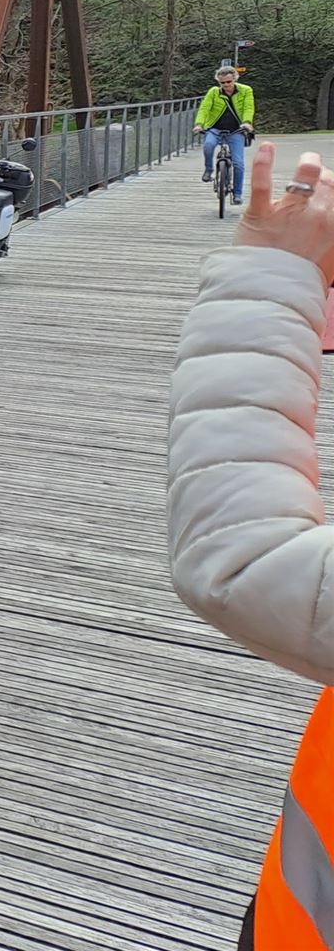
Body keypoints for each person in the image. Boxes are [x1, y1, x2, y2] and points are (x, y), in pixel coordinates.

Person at [168, 140, 334, 950]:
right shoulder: (217, 93)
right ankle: (214, 167)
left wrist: (272, 273)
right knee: (216, 142)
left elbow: (241, 554)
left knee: (231, 146)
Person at [196, 61, 257, 206]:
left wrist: (247, 122)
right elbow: (204, 108)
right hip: (215, 128)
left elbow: (249, 107)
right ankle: (209, 169)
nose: (226, 85)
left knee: (238, 163)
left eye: (229, 82)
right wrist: (199, 124)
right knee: (208, 145)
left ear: (235, 79)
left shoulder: (245, 90)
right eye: (222, 83)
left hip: (236, 130)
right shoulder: (214, 92)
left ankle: (237, 194)